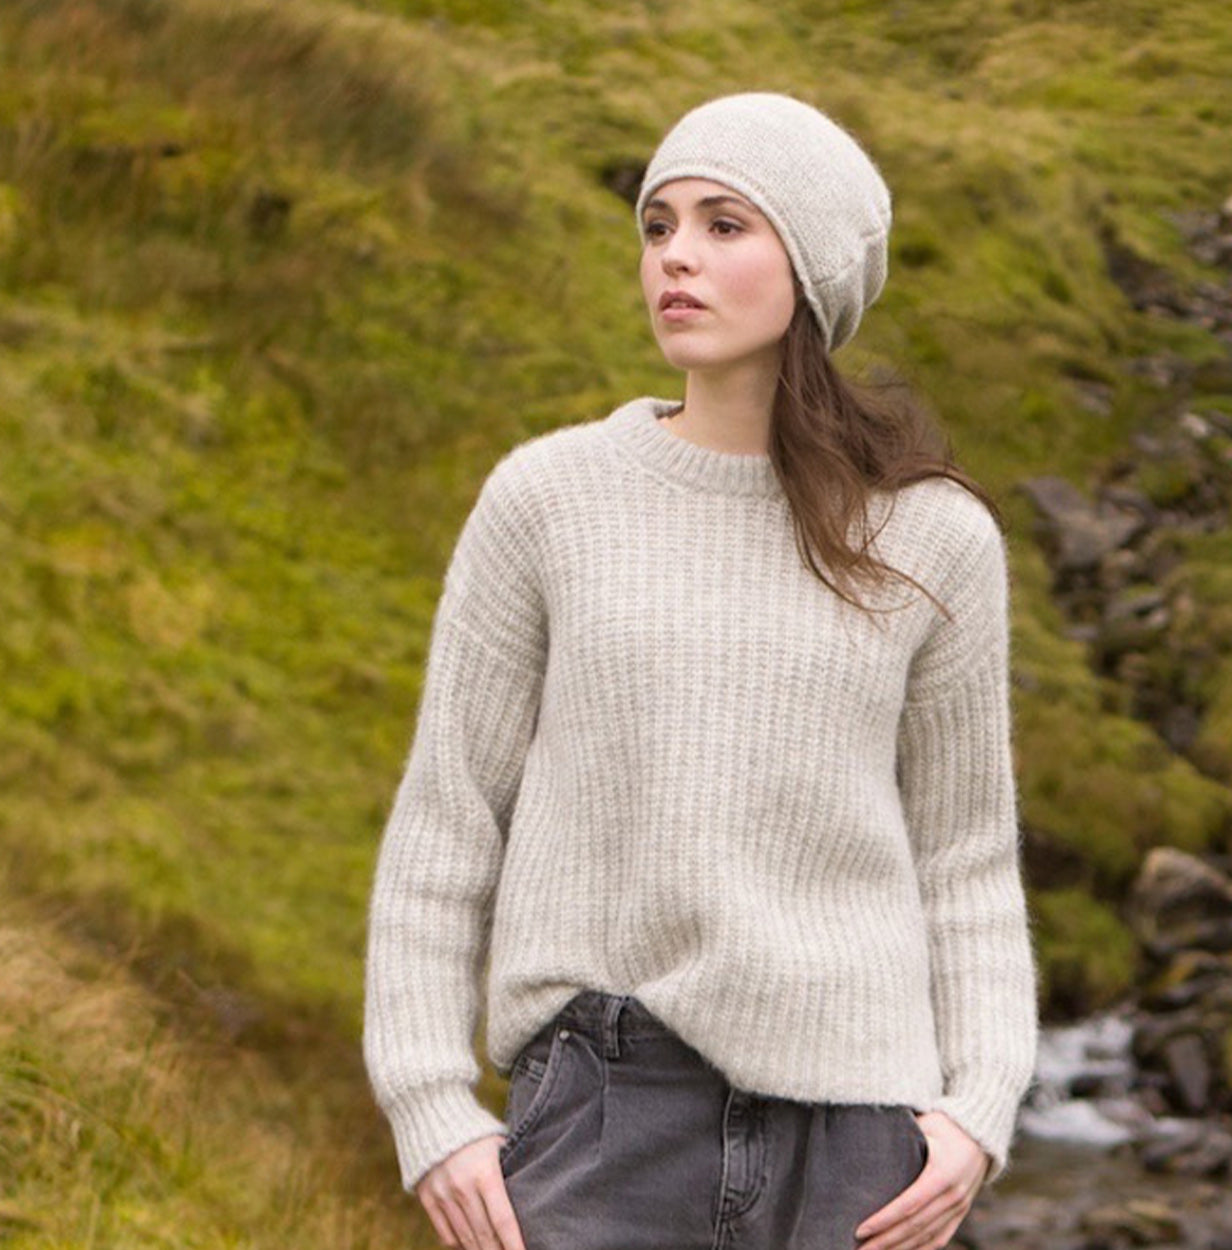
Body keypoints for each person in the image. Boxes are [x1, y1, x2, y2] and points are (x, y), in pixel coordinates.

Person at [362, 91, 1040, 1250]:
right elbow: (449, 815)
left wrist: (978, 1106)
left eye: (725, 224)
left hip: (858, 1141)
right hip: (604, 1111)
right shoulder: (549, 501)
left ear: (812, 266)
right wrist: (429, 1101)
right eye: (658, 224)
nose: (676, 255)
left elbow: (964, 854)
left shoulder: (934, 538)